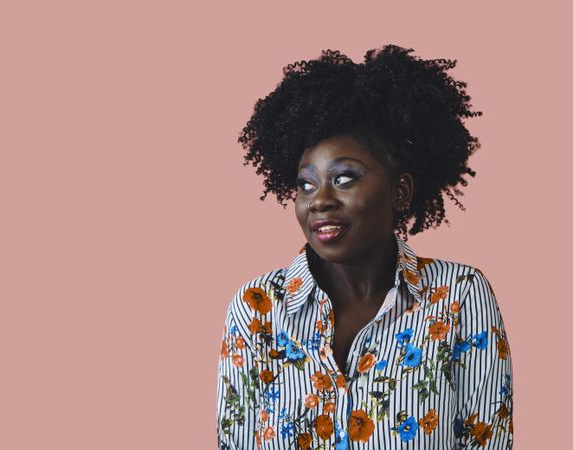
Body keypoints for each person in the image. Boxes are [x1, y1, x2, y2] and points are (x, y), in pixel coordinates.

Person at [216, 45, 514, 450]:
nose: (318, 200)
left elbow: (487, 441)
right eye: (306, 184)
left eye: (344, 178)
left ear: (400, 191)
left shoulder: (459, 295)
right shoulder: (257, 309)